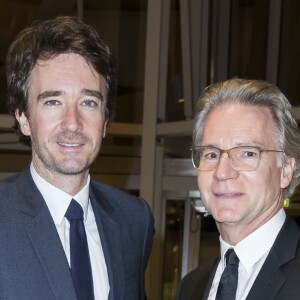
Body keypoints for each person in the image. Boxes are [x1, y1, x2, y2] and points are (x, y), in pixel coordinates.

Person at [1, 16, 154, 300]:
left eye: (88, 102)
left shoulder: (134, 221)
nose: (72, 123)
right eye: (53, 101)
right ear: (23, 117)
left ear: (105, 120)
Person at [176, 78, 300, 300]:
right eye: (211, 154)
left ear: (286, 170)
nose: (222, 172)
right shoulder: (191, 287)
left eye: (247, 153)